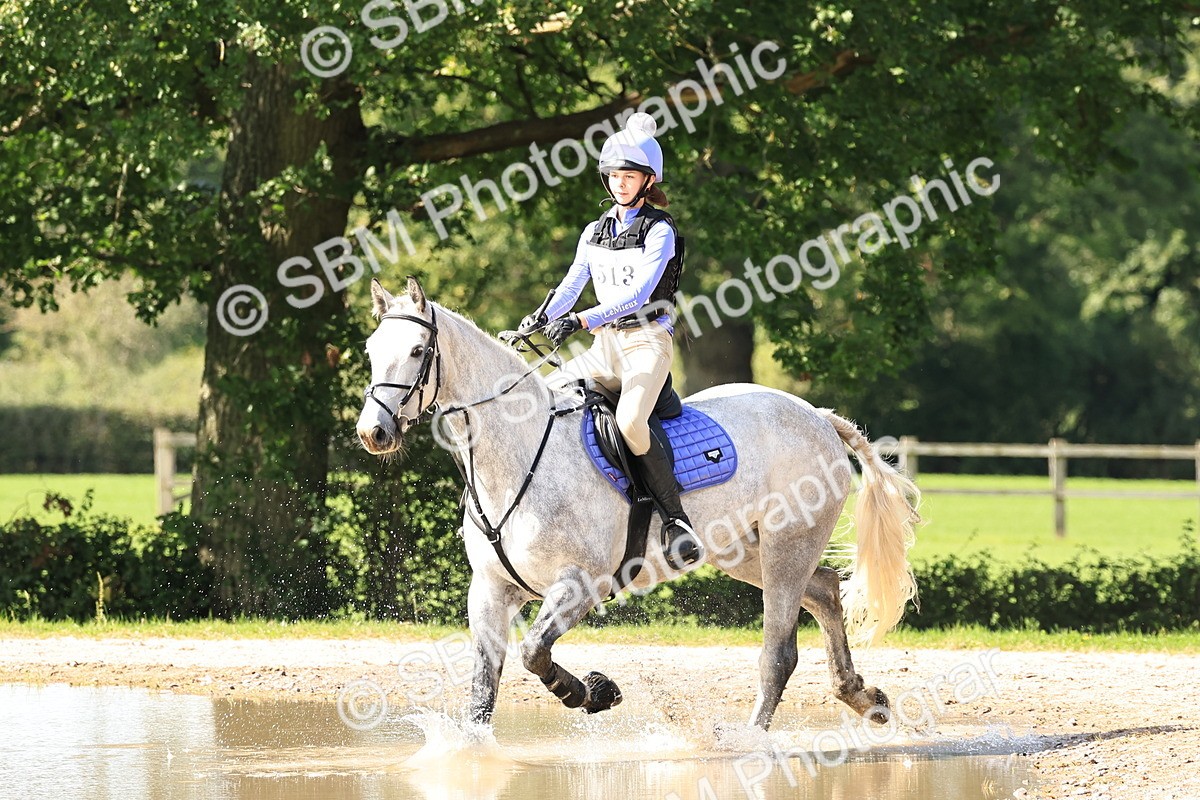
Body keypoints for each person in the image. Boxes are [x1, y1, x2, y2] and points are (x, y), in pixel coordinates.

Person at [518, 112, 704, 570]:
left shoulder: (660, 230)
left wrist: (580, 319)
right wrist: (541, 317)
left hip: (647, 343)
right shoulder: (594, 230)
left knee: (631, 424)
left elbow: (638, 294)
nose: (621, 184)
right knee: (545, 402)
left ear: (648, 181)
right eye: (615, 176)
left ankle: (675, 520)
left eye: (630, 176)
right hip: (605, 348)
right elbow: (571, 283)